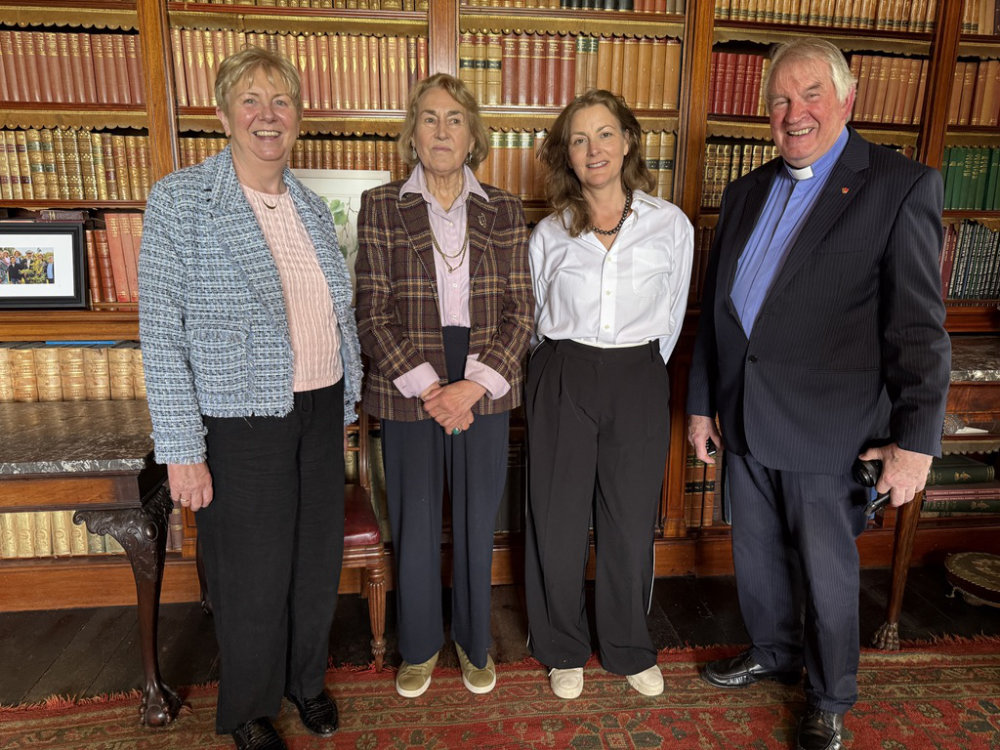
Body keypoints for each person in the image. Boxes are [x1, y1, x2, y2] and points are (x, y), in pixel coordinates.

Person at [686, 38, 950, 750]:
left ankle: (830, 698)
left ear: (847, 100)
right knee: (757, 556)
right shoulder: (744, 192)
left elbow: (919, 331)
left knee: (827, 574)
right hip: (744, 414)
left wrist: (916, 446)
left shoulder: (898, 186)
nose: (793, 112)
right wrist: (703, 404)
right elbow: (718, 311)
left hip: (830, 429)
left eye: (810, 95)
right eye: (779, 99)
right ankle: (774, 651)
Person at [139, 47, 362, 750]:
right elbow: (161, 333)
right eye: (251, 100)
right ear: (223, 114)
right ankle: (246, 708)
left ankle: (304, 681)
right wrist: (182, 450)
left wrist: (347, 403)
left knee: (315, 560)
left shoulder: (309, 206)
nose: (268, 115)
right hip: (240, 419)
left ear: (298, 116)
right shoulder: (181, 200)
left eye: (282, 101)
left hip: (320, 407)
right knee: (252, 574)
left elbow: (335, 312)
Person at [355, 73, 533, 699]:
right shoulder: (382, 205)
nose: (441, 130)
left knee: (477, 518)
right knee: (415, 517)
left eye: (454, 118)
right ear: (413, 132)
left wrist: (471, 387)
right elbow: (371, 310)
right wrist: (434, 388)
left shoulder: (504, 209)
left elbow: (522, 312)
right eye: (429, 118)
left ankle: (474, 643)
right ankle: (421, 645)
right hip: (409, 377)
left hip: (485, 377)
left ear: (472, 134)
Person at [525, 89, 693, 700]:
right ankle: (561, 648)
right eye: (579, 139)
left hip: (638, 375)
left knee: (627, 520)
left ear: (627, 142)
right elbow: (536, 318)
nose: (593, 149)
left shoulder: (670, 225)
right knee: (558, 519)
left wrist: (635, 370)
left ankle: (627, 646)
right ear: (566, 155)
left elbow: (672, 317)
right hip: (562, 372)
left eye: (604, 134)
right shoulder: (549, 234)